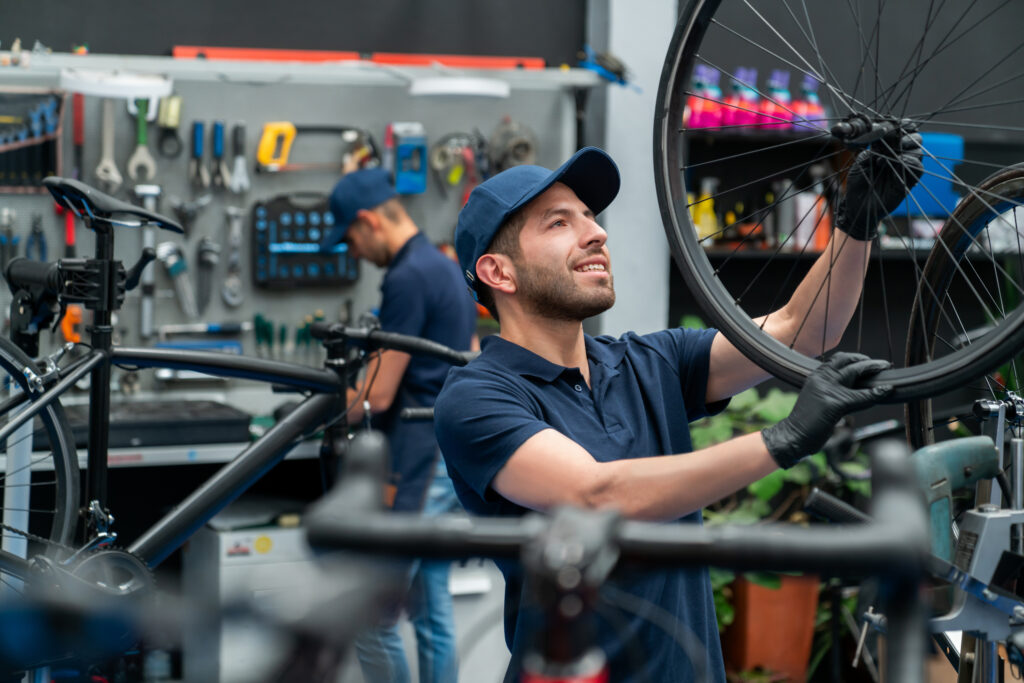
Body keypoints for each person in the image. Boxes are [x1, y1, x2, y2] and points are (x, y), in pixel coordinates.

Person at [433, 139, 922, 682]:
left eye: (591, 217)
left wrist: (855, 224)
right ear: (499, 273)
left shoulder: (646, 360)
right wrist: (780, 440)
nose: (597, 233)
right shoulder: (477, 397)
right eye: (558, 224)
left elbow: (797, 333)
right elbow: (595, 495)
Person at [324, 167, 478, 683]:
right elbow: (468, 355)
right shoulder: (444, 266)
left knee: (372, 618)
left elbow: (378, 394)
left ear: (368, 222)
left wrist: (316, 405)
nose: (355, 254)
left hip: (416, 465)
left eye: (351, 240)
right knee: (432, 613)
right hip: (445, 455)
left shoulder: (407, 277)